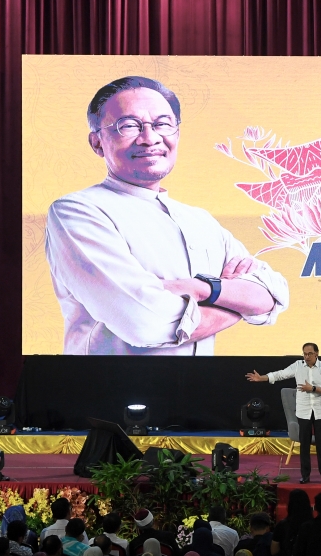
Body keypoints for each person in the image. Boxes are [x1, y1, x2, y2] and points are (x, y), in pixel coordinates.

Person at [45, 75, 288, 356]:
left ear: (176, 133)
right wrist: (237, 307)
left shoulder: (201, 221)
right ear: (97, 142)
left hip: (197, 393)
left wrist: (201, 289)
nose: (150, 138)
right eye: (128, 126)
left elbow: (274, 294)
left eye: (162, 124)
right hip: (108, 392)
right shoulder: (77, 211)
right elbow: (146, 323)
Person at [247, 342, 321, 483]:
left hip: (320, 411)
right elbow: (281, 374)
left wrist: (312, 388)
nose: (306, 357)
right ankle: (305, 476)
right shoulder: (298, 365)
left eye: (309, 354)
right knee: (304, 444)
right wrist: (262, 378)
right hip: (304, 411)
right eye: (304, 354)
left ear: (316, 354)